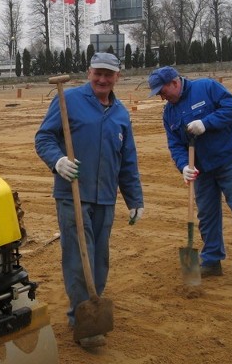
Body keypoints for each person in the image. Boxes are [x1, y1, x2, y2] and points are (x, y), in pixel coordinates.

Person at [35, 52, 144, 348]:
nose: (102, 79)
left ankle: (92, 305)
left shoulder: (121, 112)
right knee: (78, 256)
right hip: (73, 193)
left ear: (117, 78)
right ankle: (81, 319)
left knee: (100, 258)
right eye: (98, 73)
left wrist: (134, 198)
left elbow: (128, 160)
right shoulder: (67, 99)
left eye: (109, 74)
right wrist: (57, 161)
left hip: (105, 195)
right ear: (89, 72)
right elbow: (44, 138)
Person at [148, 66, 232, 288]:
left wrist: (206, 123)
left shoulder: (206, 87)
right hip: (200, 168)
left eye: (162, 91)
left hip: (229, 160)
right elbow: (175, 145)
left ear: (174, 83)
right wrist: (183, 166)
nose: (161, 97)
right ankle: (211, 260)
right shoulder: (169, 113)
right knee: (207, 215)